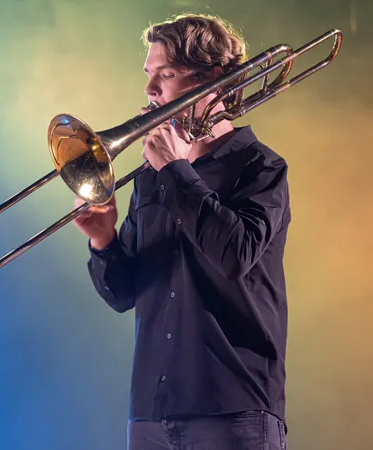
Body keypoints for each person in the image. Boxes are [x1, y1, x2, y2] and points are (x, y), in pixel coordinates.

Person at [72, 13, 291, 450]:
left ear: (213, 80)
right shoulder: (153, 177)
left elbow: (235, 255)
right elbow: (124, 294)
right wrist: (103, 239)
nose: (150, 91)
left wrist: (175, 169)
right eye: (149, 75)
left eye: (166, 75)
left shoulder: (261, 167)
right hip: (152, 412)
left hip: (234, 407)